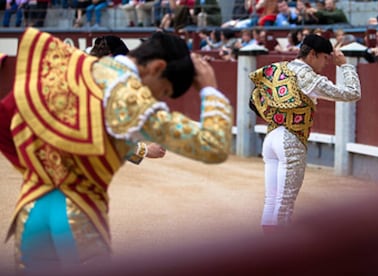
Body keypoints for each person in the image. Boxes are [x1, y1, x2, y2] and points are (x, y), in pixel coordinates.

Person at [0, 28, 233, 274]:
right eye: (163, 91)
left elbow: (6, 120)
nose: (158, 98)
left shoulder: (76, 65)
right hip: (77, 216)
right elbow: (213, 145)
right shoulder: (133, 99)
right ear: (156, 68)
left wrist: (42, 169)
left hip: (32, 211)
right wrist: (210, 90)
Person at [248, 34, 361, 233]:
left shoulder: (280, 68)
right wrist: (345, 65)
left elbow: (256, 97)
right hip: (290, 141)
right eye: (326, 58)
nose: (327, 63)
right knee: (284, 206)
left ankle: (267, 251)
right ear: (312, 54)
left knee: (272, 200)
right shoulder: (309, 78)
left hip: (271, 137)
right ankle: (279, 255)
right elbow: (352, 93)